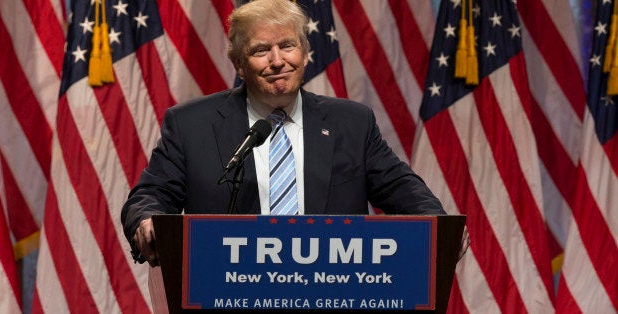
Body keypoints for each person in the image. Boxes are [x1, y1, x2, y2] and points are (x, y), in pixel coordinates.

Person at [121, 0, 445, 267]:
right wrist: (148, 218)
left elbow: (402, 189)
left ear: (304, 53)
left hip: (331, 290)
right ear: (238, 62)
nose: (278, 61)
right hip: (229, 288)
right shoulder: (191, 124)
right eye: (261, 50)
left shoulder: (352, 122)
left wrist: (440, 225)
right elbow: (152, 194)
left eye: (288, 46)